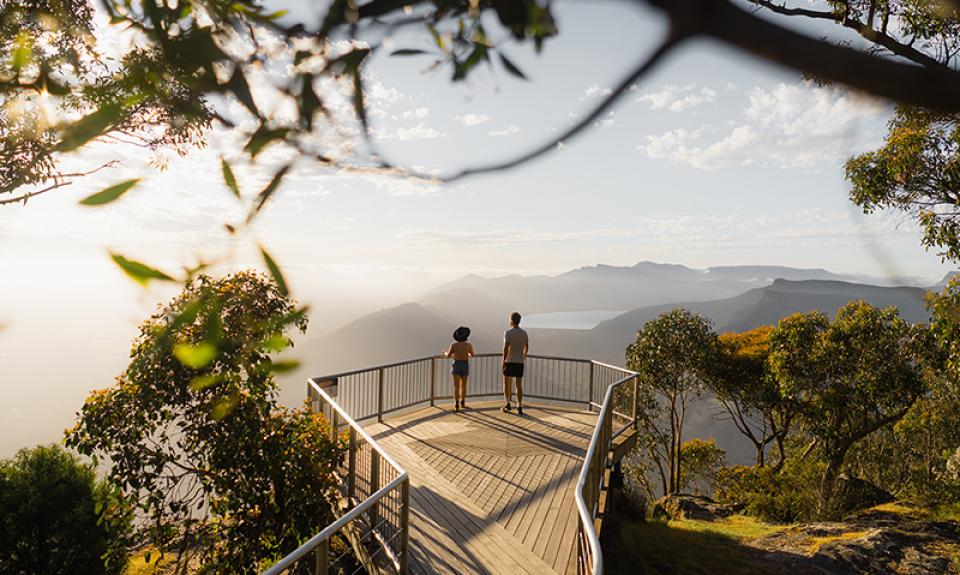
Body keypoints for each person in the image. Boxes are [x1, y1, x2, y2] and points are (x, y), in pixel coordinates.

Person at [501, 311, 529, 415]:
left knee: (506, 383)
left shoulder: (508, 333)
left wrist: (503, 360)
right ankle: (519, 405)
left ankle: (507, 403)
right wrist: (524, 355)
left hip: (509, 361)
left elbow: (506, 347)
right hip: (519, 361)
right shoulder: (524, 333)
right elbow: (526, 346)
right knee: (519, 385)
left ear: (512, 321)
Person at [443, 326, 474, 412]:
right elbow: (472, 354)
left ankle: (456, 404)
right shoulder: (468, 345)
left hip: (456, 364)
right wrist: (467, 354)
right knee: (463, 386)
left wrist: (444, 353)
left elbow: (448, 355)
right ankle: (463, 402)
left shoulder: (454, 345)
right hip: (465, 364)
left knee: (456, 386)